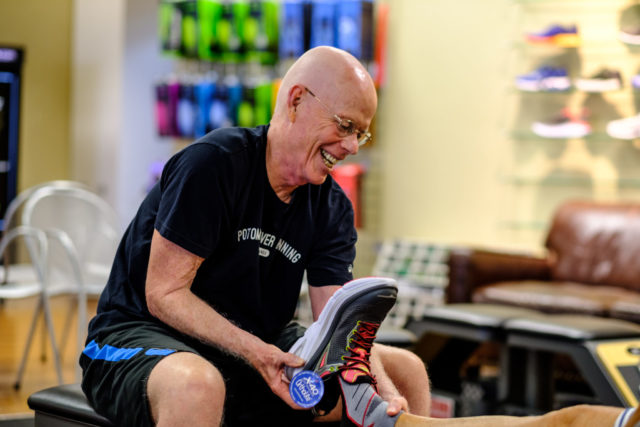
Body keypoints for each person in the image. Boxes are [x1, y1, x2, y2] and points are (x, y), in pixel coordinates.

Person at [79, 46, 431, 427]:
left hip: (256, 343)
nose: (349, 146)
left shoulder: (332, 206)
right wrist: (256, 352)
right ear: (297, 101)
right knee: (197, 385)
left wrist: (384, 388)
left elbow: (336, 323)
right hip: (140, 335)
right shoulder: (212, 165)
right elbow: (164, 295)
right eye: (345, 126)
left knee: (405, 372)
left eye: (360, 135)